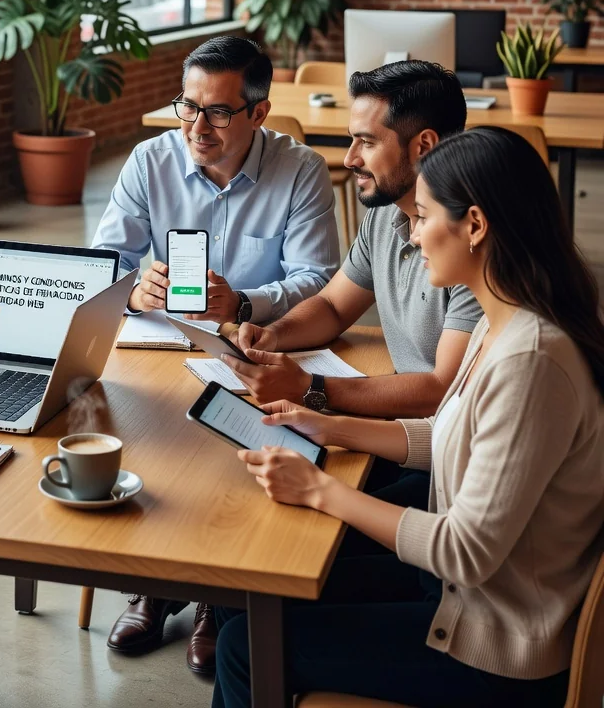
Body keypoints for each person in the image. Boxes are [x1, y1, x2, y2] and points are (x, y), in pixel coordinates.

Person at [211, 126, 604, 708]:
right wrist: (327, 425)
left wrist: (320, 489)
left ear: (474, 225)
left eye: (422, 217)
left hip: (493, 647)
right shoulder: (506, 321)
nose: (413, 235)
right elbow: (450, 434)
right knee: (251, 592)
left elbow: (464, 551)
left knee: (246, 643)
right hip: (461, 597)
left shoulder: (533, 360)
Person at [93, 35, 340, 674]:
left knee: (232, 434)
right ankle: (155, 582)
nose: (197, 127)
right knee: (141, 422)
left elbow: (319, 279)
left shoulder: (302, 169)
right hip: (162, 345)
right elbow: (101, 269)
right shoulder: (149, 162)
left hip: (255, 351)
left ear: (258, 113)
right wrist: (133, 288)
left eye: (219, 112)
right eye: (188, 106)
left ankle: (213, 600)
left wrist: (244, 302)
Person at [223, 60, 483, 420]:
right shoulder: (385, 211)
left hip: (446, 443)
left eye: (367, 142)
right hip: (403, 425)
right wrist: (273, 336)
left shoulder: (474, 241)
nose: (349, 158)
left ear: (423, 145)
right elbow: (332, 306)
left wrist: (310, 389)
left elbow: (445, 390)